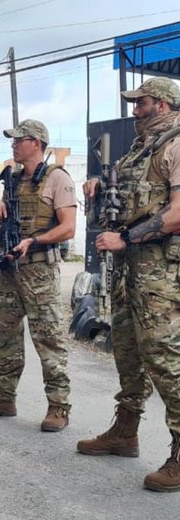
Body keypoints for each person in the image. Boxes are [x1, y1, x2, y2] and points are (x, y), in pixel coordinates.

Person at [78, 77, 180, 492]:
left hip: (161, 275)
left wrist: (127, 238)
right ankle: (125, 431)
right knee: (128, 350)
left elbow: (176, 214)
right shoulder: (140, 149)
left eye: (141, 103)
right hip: (129, 271)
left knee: (165, 359)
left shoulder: (176, 143)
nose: (134, 109)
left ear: (162, 105)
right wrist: (99, 187)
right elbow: (134, 198)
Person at [0, 119, 76, 432]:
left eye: (19, 140)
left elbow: (68, 227)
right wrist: (0, 210)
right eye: (13, 140)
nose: (13, 145)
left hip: (40, 269)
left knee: (49, 339)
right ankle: (3, 397)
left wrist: (35, 240)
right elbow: (7, 219)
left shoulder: (58, 178)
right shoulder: (12, 180)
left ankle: (58, 406)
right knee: (7, 336)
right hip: (9, 270)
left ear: (37, 143)